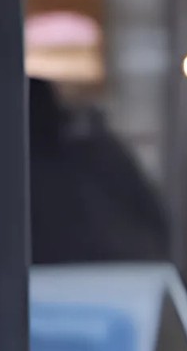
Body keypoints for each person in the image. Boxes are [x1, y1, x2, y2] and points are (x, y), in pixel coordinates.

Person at [28, 76, 171, 265]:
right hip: (132, 269)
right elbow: (155, 217)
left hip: (88, 271)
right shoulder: (101, 148)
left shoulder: (23, 172)